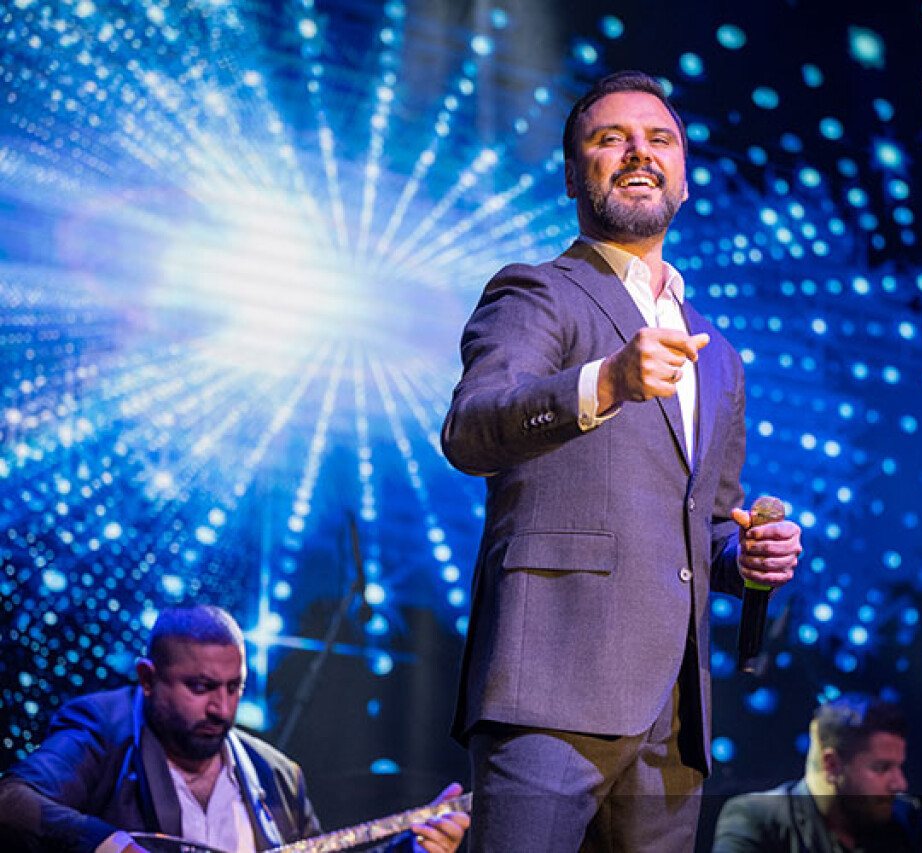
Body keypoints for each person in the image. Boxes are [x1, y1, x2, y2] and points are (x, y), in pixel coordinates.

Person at [441, 70, 803, 851]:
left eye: (659, 139)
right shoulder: (538, 292)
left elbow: (709, 527)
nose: (640, 152)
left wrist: (748, 555)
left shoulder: (719, 353)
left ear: (685, 176)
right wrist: (605, 380)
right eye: (612, 139)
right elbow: (470, 430)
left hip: (672, 721)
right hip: (550, 687)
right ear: (574, 175)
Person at [0, 605, 469, 853]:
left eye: (234, 688)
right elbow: (12, 801)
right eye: (200, 687)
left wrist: (413, 849)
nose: (221, 709)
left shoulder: (277, 774)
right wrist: (111, 845)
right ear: (147, 679)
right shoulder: (104, 726)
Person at [712, 694, 922, 853]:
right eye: (882, 768)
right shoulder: (755, 817)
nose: (899, 784)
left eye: (899, 767)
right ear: (832, 765)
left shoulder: (906, 820)